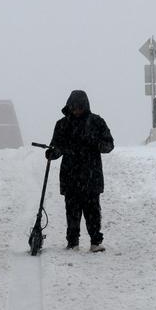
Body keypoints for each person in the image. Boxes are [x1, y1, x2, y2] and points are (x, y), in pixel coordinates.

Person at [45, 89, 114, 252]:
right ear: (69, 106)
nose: (76, 111)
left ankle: (95, 241)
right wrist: (52, 153)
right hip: (71, 175)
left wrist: (95, 142)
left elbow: (109, 145)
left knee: (92, 210)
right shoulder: (62, 125)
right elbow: (57, 146)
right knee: (72, 211)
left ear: (85, 106)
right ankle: (72, 242)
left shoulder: (97, 122)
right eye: (74, 107)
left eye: (80, 107)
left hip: (91, 175)